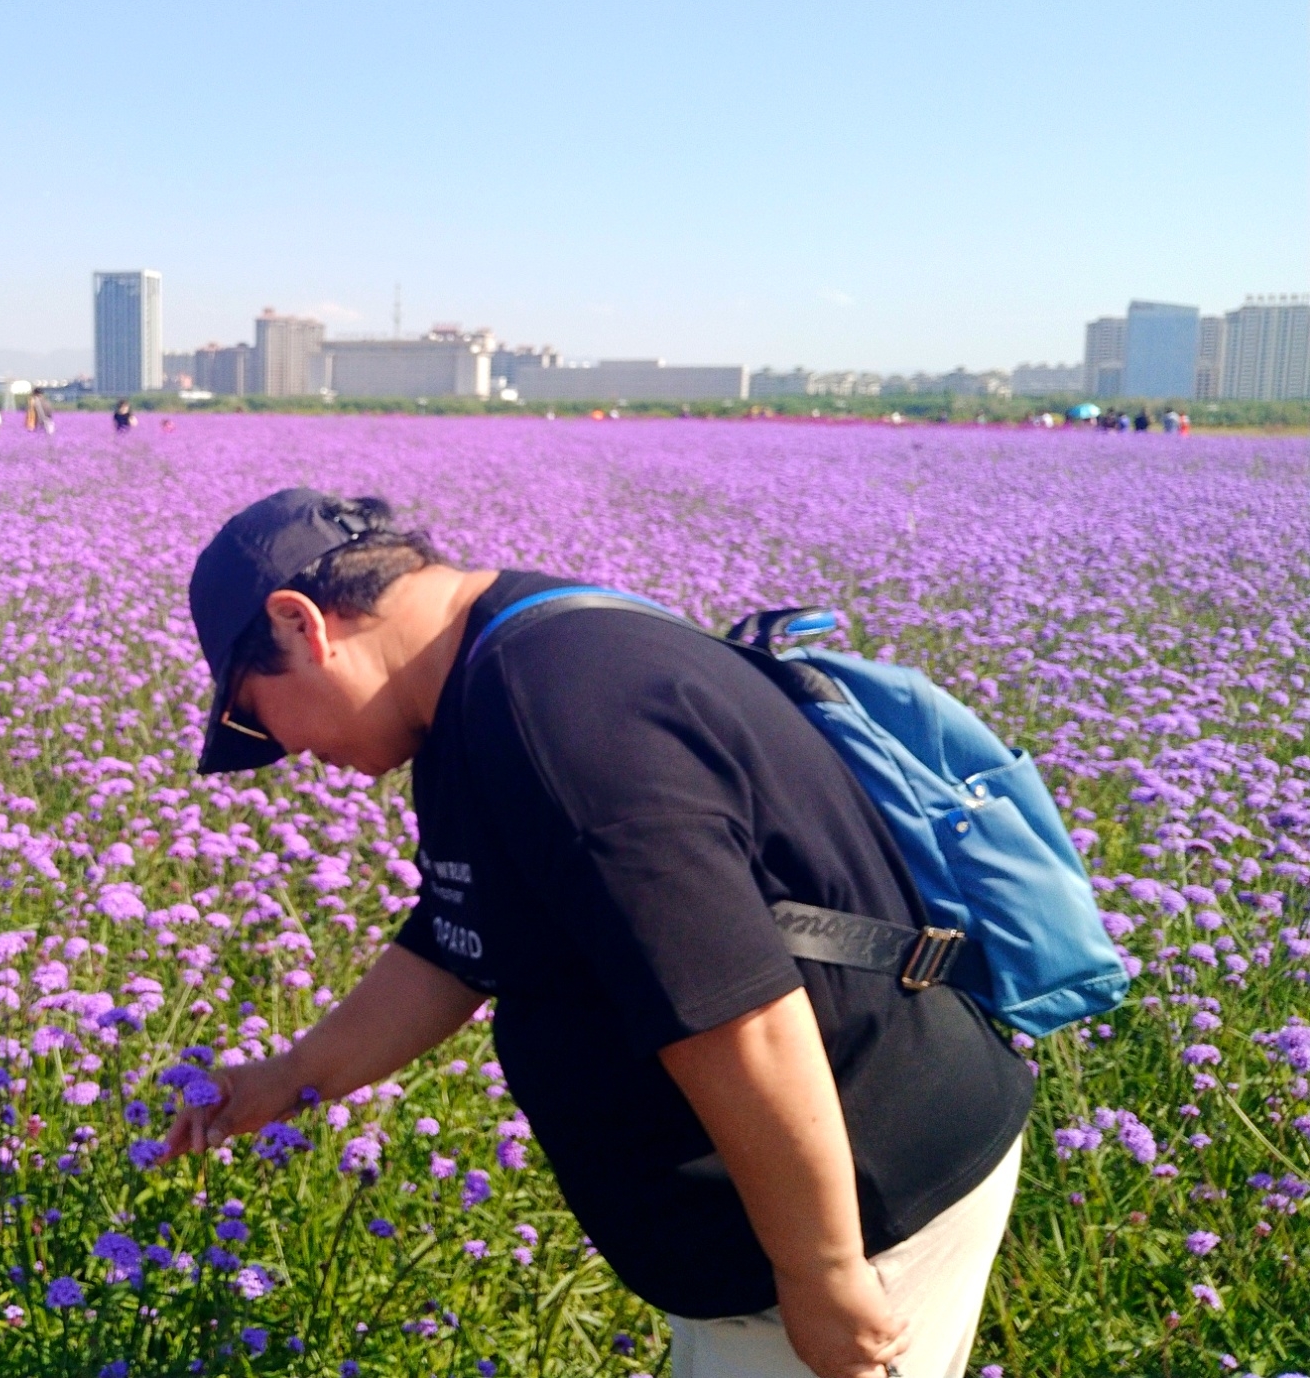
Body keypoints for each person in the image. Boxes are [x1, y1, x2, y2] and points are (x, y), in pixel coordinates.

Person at [172, 490, 1033, 1378]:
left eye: (252, 712)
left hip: (864, 1203)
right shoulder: (480, 685)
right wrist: (286, 1080)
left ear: (301, 623)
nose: (282, 748)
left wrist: (819, 1271)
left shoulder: (556, 708)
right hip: (790, 1221)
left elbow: (735, 1014)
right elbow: (458, 937)